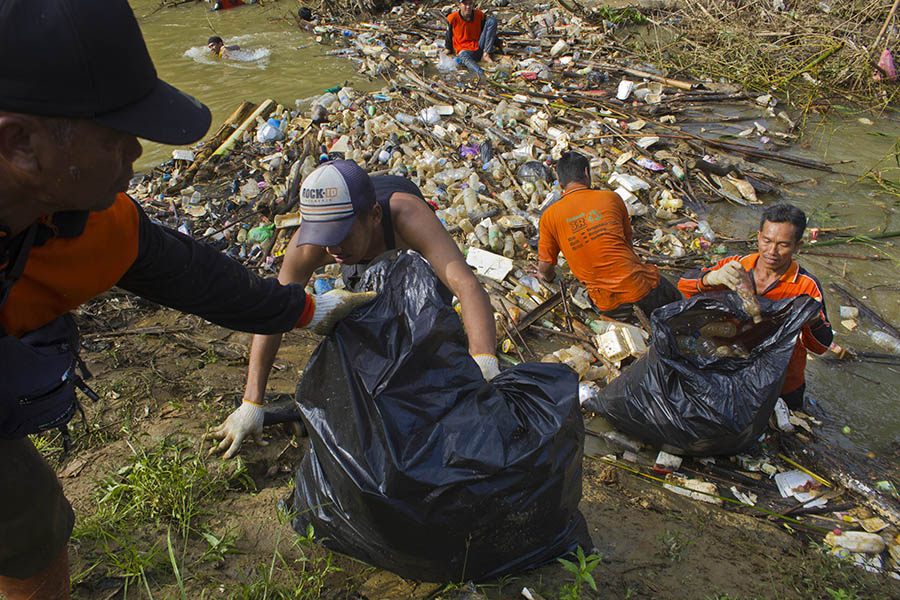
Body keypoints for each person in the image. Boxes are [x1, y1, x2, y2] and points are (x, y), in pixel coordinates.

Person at [0, 1, 372, 598]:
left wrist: (307, 310)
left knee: (29, 519)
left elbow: (193, 275)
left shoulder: (84, 222)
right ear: (20, 144)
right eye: (116, 137)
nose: (135, 153)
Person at [207, 160, 500, 458]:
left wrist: (484, 360)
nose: (332, 248)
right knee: (368, 322)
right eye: (324, 238)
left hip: (409, 253)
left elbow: (466, 285)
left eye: (340, 234)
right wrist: (252, 402)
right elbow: (275, 312)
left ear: (373, 215)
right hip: (363, 256)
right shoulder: (314, 247)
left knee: (429, 322)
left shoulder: (408, 217)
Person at [677, 203, 833, 410]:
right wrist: (711, 278)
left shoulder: (806, 287)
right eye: (767, 241)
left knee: (788, 419)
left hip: (781, 381)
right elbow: (684, 286)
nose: (772, 251)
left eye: (783, 245)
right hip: (731, 365)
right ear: (758, 237)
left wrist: (813, 320)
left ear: (798, 246)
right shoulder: (737, 266)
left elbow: (820, 347)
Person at [535, 151, 682, 322]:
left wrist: (546, 277)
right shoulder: (611, 198)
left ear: (560, 182)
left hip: (609, 305)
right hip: (643, 288)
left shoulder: (549, 217)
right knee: (677, 308)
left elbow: (546, 266)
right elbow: (627, 243)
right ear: (586, 173)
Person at [443, 0, 499, 77]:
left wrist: (496, 43)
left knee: (492, 21)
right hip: (465, 50)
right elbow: (448, 35)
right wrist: (448, 48)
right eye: (465, 4)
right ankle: (480, 74)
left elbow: (486, 30)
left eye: (470, 4)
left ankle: (486, 54)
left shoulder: (479, 15)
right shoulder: (452, 18)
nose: (468, 7)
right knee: (463, 55)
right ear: (459, 5)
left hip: (479, 45)